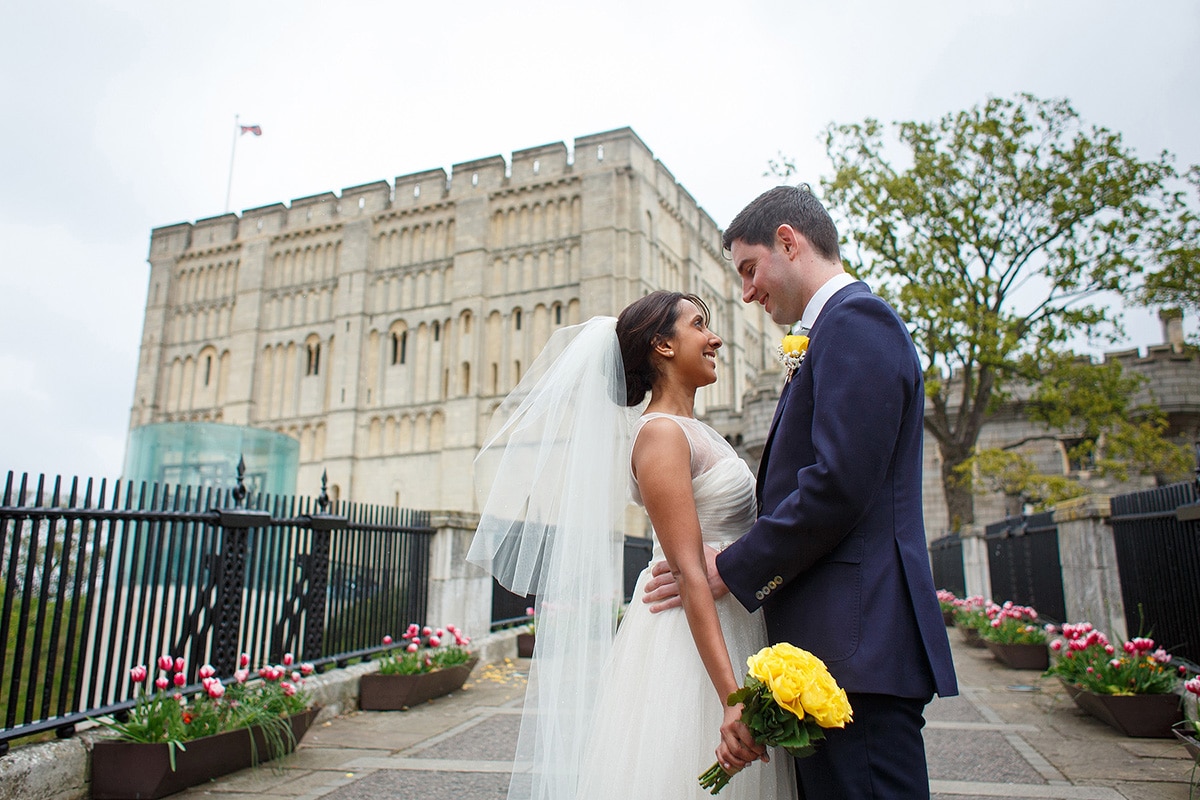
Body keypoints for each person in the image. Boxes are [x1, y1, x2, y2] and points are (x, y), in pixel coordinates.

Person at [643, 185, 958, 798]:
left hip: (856, 649)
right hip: (833, 651)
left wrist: (728, 568)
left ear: (788, 241)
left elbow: (837, 484)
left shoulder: (855, 322)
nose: (747, 292)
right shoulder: (833, 333)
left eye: (750, 269)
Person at [468, 290, 795, 800]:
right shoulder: (661, 435)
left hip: (735, 622)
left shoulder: (697, 431)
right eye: (699, 326)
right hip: (690, 643)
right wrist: (732, 699)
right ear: (663, 345)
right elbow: (689, 572)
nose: (715, 338)